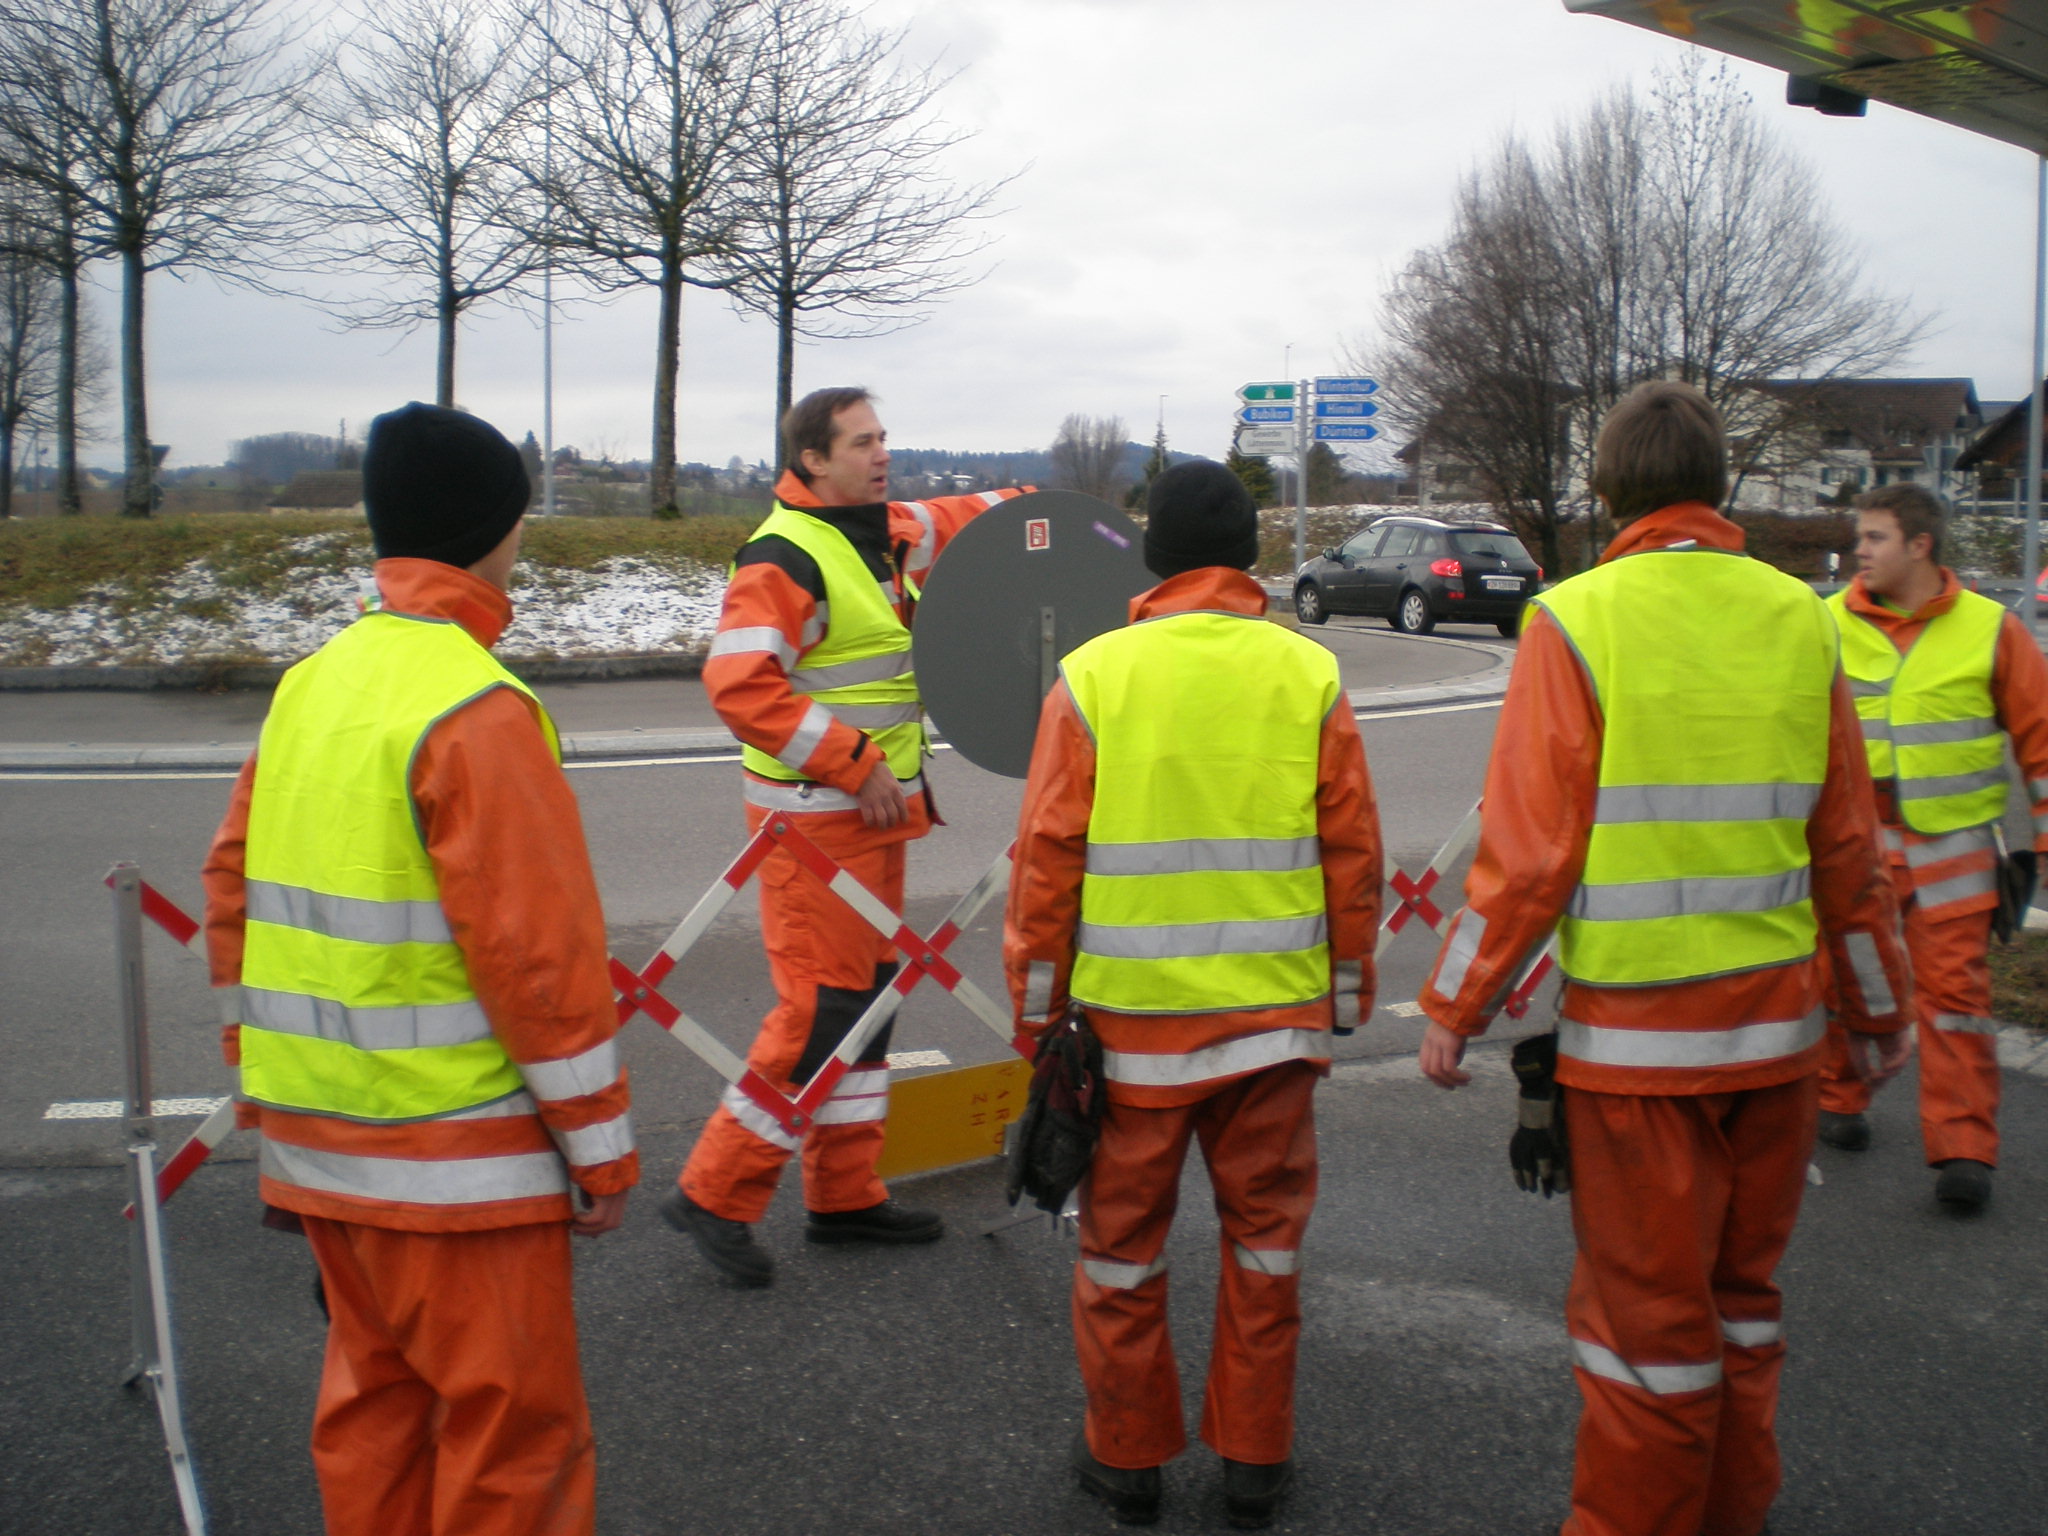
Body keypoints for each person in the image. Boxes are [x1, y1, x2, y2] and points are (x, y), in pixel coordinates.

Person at [1415, 381, 1910, 1536]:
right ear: (1715, 481)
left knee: (1645, 1344)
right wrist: (1878, 1014)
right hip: (1776, 1048)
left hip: (1637, 1059)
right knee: (1741, 1314)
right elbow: (1846, 845)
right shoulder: (1803, 618)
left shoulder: (1573, 620)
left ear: (1606, 488)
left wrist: (1453, 1004)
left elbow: (1530, 853)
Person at [202, 402, 637, 1536]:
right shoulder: (477, 707)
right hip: (459, 1167)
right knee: (511, 1443)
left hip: (320, 1145)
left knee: (375, 1415)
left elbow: (231, 888)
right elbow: (537, 961)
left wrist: (266, 1084)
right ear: (496, 527)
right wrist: (599, 1147)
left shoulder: (313, 684)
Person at [1004, 460, 1382, 1530]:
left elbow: (1047, 863)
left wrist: (1037, 1017)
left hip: (1131, 1043)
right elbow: (1352, 855)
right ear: (1250, 555)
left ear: (1153, 558)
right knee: (1265, 1247)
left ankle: (1126, 1459)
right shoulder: (1309, 674)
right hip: (1272, 1031)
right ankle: (1254, 1459)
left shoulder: (1093, 678)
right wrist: (1342, 994)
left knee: (1121, 1252)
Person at [666, 387, 1027, 1285]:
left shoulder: (886, 530)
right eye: (862, 443)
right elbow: (740, 683)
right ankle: (714, 1192)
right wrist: (853, 761)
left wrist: (1048, 512)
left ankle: (844, 1195)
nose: (882, 454)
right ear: (813, 460)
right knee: (822, 1009)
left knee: (868, 1004)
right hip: (813, 825)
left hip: (872, 821)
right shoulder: (786, 555)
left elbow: (970, 520)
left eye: (884, 438)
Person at [1814, 483, 2048, 1210]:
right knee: (1849, 982)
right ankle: (1838, 1098)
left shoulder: (1991, 629)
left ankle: (1964, 1149)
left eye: (1875, 537)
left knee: (1956, 1002)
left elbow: (2041, 741)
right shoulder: (1824, 624)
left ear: (1920, 545)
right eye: (1859, 536)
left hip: (1954, 857)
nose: (1859, 550)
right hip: (1857, 850)